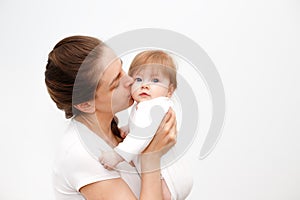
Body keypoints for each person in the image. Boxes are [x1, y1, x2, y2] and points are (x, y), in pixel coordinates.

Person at [45, 36, 178, 200]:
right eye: (116, 81)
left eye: (122, 69)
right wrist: (151, 158)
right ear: (86, 104)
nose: (130, 80)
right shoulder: (82, 154)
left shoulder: (119, 132)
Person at [99, 50, 193, 200]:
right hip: (170, 175)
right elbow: (142, 127)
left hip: (170, 179)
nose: (145, 86)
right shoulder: (147, 105)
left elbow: (141, 135)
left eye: (155, 80)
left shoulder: (154, 106)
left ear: (170, 90)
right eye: (138, 79)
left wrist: (116, 156)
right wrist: (127, 129)